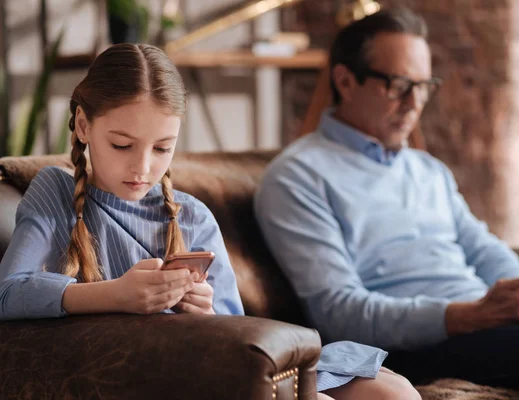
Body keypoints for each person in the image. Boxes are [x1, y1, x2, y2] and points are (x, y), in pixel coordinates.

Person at [0, 43, 420, 400]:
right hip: (161, 374)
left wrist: (204, 314)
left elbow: (238, 329)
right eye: (122, 144)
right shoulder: (54, 190)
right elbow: (7, 293)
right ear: (83, 125)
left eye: (163, 148)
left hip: (222, 361)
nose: (143, 168)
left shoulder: (192, 215)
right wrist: (117, 295)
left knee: (393, 391)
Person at [254, 8, 519, 400]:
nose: (414, 103)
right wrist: (466, 317)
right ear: (346, 81)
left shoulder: (427, 170)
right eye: (399, 85)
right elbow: (339, 312)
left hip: (484, 323)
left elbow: (485, 251)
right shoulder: (298, 176)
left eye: (423, 86)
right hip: (415, 347)